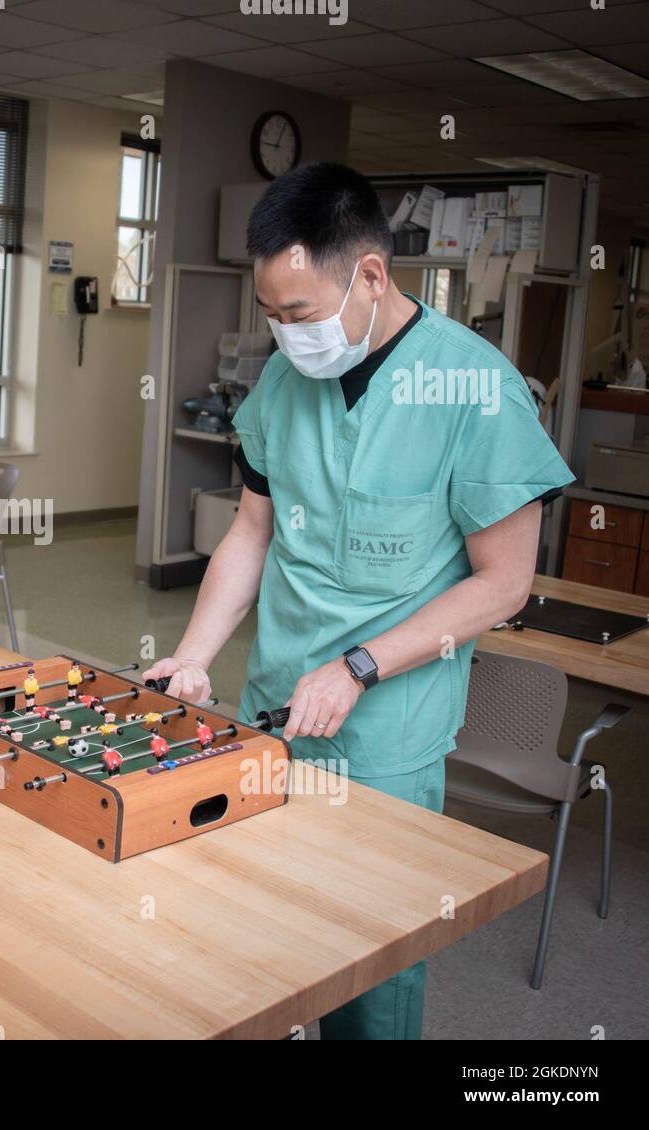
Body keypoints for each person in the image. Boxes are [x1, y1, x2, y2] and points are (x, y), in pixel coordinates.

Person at [144, 162, 573, 1040]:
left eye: (299, 313)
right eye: (271, 313)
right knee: (266, 930)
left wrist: (360, 664)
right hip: (273, 702)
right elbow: (251, 535)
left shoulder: (475, 390)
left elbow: (505, 581)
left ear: (372, 275)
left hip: (387, 728)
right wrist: (193, 654)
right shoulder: (279, 383)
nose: (285, 333)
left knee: (368, 964)